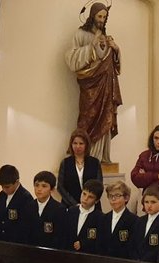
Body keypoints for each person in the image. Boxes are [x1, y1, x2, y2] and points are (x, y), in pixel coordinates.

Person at [65, 2, 122, 163]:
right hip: (89, 85)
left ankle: (101, 157)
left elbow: (114, 66)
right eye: (99, 16)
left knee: (105, 116)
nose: (102, 20)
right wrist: (92, 46)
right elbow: (71, 58)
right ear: (92, 15)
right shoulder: (81, 34)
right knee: (87, 117)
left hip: (106, 85)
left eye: (104, 17)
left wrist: (116, 49)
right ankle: (87, 156)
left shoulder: (105, 36)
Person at [0, 165, 33, 243]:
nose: (4, 189)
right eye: (2, 186)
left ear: (17, 182)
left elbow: (25, 227)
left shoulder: (26, 198)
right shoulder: (2, 195)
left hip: (16, 242)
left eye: (7, 187)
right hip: (1, 240)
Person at [58, 129, 103, 209]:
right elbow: (60, 187)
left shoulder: (95, 162)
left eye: (81, 143)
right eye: (75, 143)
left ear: (86, 145)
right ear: (71, 144)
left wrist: (88, 202)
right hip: (70, 206)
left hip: (91, 206)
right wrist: (75, 204)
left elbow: (98, 185)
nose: (77, 146)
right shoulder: (65, 163)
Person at [23, 171, 66, 249]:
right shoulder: (28, 206)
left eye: (44, 186)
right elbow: (25, 232)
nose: (39, 189)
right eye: (37, 185)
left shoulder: (59, 209)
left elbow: (60, 237)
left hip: (50, 253)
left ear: (52, 189)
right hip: (30, 251)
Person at [63, 179, 104, 254]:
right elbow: (65, 233)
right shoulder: (71, 211)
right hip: (69, 255)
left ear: (97, 200)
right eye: (84, 194)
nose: (85, 199)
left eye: (90, 197)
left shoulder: (100, 218)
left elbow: (99, 241)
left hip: (88, 257)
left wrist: (83, 244)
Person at [132, 185, 159, 263]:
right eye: (146, 202)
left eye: (153, 202)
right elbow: (133, 242)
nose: (149, 205)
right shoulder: (139, 221)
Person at [100, 181, 139, 259]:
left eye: (117, 195)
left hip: (123, 262)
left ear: (126, 198)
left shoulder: (134, 220)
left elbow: (132, 246)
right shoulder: (104, 218)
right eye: (111, 196)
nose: (113, 199)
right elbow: (100, 243)